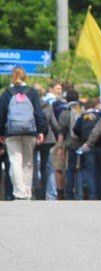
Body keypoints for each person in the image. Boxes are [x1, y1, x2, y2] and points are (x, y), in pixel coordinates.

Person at [0, 66, 47, 199]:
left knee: (15, 161)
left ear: (12, 76)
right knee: (28, 162)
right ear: (25, 76)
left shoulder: (6, 93)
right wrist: (40, 131)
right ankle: (27, 191)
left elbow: (1, 115)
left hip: (11, 133)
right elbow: (38, 113)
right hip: (30, 132)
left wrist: (1, 133)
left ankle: (19, 191)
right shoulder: (32, 92)